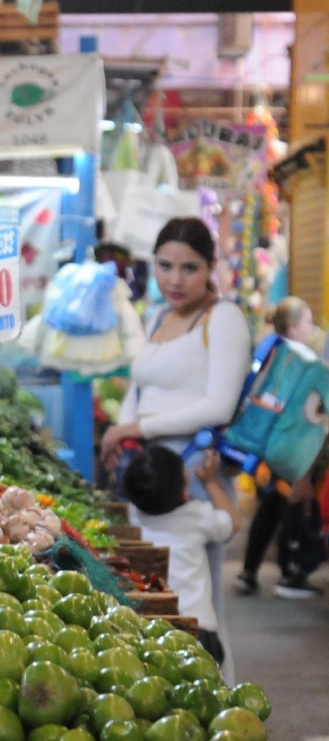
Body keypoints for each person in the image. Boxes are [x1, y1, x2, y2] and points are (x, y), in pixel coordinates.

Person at [100, 217, 252, 683]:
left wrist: (134, 427)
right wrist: (122, 435)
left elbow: (218, 405)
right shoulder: (158, 316)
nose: (174, 279)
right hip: (145, 478)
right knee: (152, 602)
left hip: (194, 480)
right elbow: (140, 386)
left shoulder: (223, 318)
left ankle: (224, 711)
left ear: (210, 268)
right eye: (165, 265)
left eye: (189, 267)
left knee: (200, 611)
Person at [122, 446, 241, 667]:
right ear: (184, 492)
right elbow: (233, 523)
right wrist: (211, 482)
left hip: (151, 626)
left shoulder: (132, 515)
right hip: (198, 628)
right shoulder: (196, 515)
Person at [238, 296, 319, 597]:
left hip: (263, 450)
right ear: (293, 326)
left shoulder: (269, 350)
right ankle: (290, 573)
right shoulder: (301, 361)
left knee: (269, 509)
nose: (311, 329)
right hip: (288, 448)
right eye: (308, 322)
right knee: (289, 508)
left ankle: (250, 569)